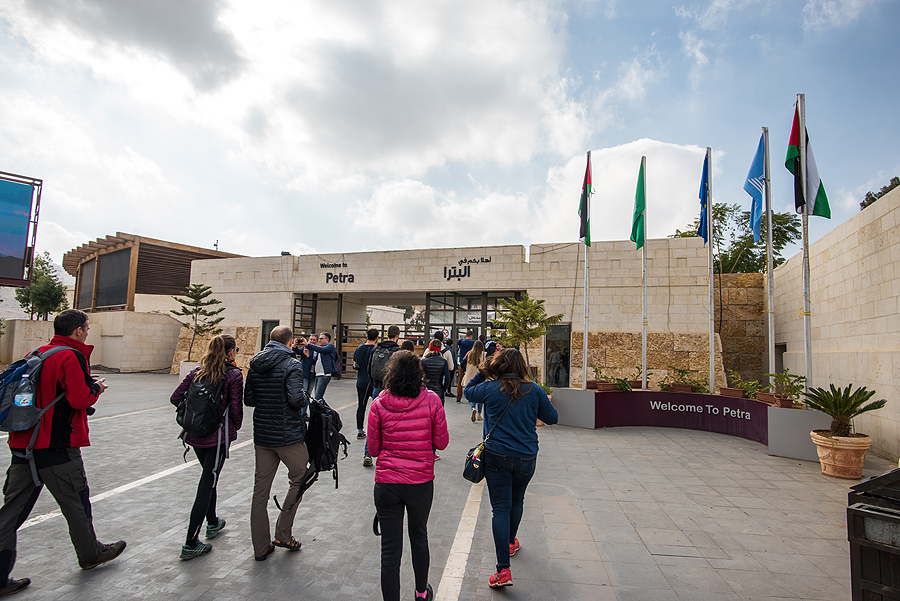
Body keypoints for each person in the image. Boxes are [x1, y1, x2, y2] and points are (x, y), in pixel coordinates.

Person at [0, 309, 126, 597]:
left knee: (11, 512)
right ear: (78, 330)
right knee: (76, 503)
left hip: (23, 443)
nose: (88, 331)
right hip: (56, 445)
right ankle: (91, 553)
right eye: (87, 328)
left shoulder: (38, 353)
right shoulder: (70, 356)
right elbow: (79, 399)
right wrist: (96, 388)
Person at [464, 349, 558, 588]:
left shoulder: (490, 388)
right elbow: (553, 418)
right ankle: (510, 542)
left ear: (498, 365)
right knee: (517, 501)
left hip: (496, 456)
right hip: (526, 457)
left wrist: (483, 370)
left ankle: (503, 569)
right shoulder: (534, 390)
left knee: (500, 509)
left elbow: (467, 390)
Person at [367, 351, 448, 601]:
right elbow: (442, 443)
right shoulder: (432, 400)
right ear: (419, 373)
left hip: (387, 484)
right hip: (420, 482)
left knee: (390, 548)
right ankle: (421, 593)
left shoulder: (379, 403)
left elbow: (373, 449)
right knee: (419, 536)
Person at [170, 334, 244, 560]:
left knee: (209, 476)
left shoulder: (197, 372)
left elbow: (175, 398)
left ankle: (212, 521)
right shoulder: (233, 375)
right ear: (230, 352)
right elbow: (235, 409)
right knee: (207, 482)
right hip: (217, 436)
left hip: (195, 434)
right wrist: (234, 426)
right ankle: (191, 542)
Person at [244, 325, 309, 561]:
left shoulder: (255, 364)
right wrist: (304, 398)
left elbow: (249, 399)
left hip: (263, 435)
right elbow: (296, 400)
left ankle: (260, 547)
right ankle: (283, 533)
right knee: (300, 479)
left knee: (260, 492)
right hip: (288, 435)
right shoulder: (292, 364)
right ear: (290, 342)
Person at [363, 326, 401, 467]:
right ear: (397, 335)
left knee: (374, 421)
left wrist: (374, 384)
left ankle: (367, 453)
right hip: (391, 390)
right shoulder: (397, 352)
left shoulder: (376, 349)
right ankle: (389, 454)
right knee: (392, 422)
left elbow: (369, 369)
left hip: (376, 388)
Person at [352, 328, 379, 440]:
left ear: (367, 336)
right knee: (376, 408)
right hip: (374, 383)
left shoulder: (359, 349)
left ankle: (360, 430)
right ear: (377, 338)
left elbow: (355, 364)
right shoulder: (377, 350)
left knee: (361, 406)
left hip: (361, 382)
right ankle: (375, 430)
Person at [304, 332, 341, 399]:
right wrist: (308, 356)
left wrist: (308, 344)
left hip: (324, 375)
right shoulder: (320, 350)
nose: (319, 340)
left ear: (327, 339)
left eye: (321, 339)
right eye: (319, 339)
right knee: (317, 396)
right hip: (318, 374)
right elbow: (313, 362)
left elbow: (322, 350)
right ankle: (319, 406)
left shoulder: (330, 346)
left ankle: (319, 406)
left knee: (318, 397)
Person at [420, 340, 450, 405]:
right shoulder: (443, 361)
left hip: (426, 390)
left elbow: (419, 376)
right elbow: (447, 379)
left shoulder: (423, 361)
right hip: (438, 391)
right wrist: (443, 389)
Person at [462, 340, 485, 421]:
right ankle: (479, 414)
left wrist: (466, 370)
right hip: (480, 376)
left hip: (470, 376)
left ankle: (473, 408)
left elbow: (462, 363)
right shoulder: (484, 354)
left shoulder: (469, 353)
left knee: (472, 393)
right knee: (480, 395)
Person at [456, 330, 476, 400]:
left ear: (466, 335)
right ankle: (470, 396)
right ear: (471, 336)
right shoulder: (473, 343)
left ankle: (458, 396)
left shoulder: (461, 342)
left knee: (460, 380)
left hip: (462, 363)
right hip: (470, 364)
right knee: (471, 380)